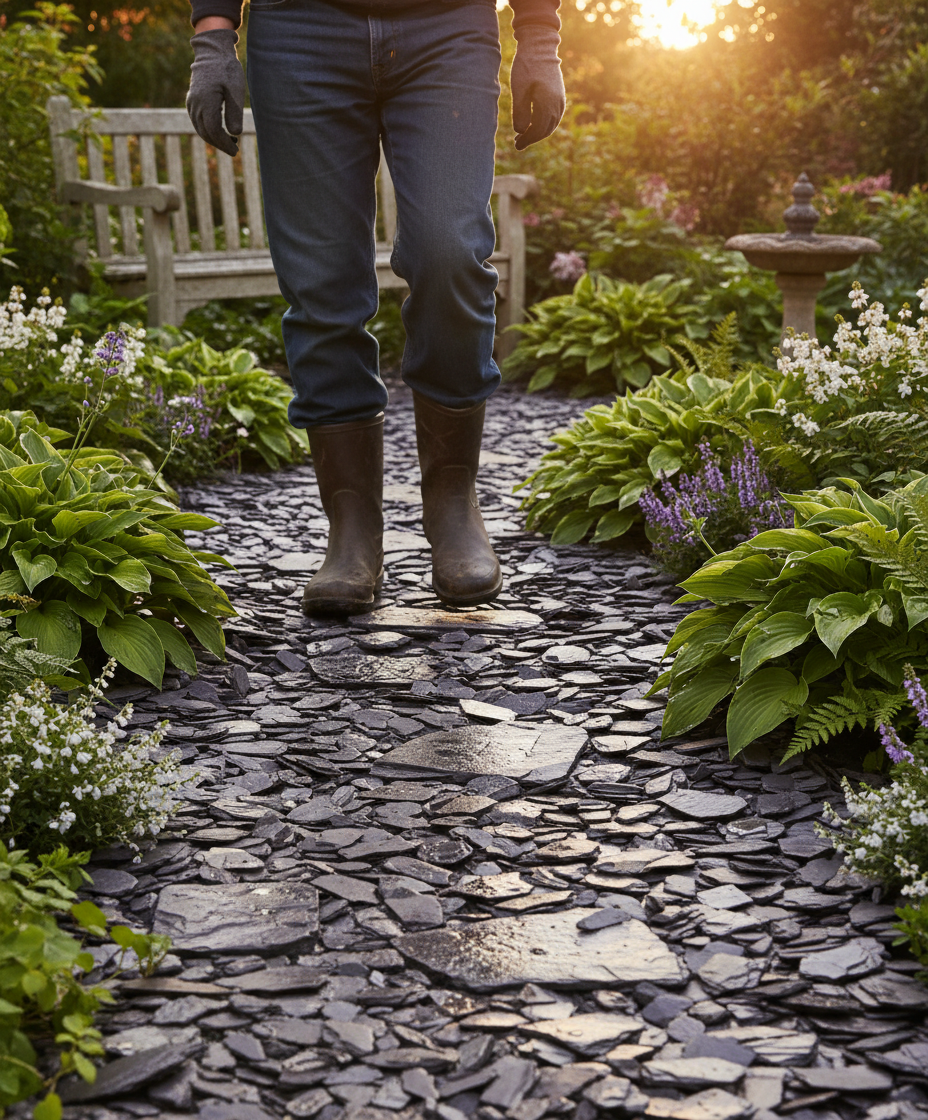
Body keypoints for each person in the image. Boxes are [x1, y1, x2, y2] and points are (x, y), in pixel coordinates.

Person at [186, 0, 565, 615]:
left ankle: (452, 499)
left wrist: (540, 36)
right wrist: (213, 38)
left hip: (447, 27)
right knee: (321, 279)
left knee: (451, 253)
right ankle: (351, 525)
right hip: (301, 31)